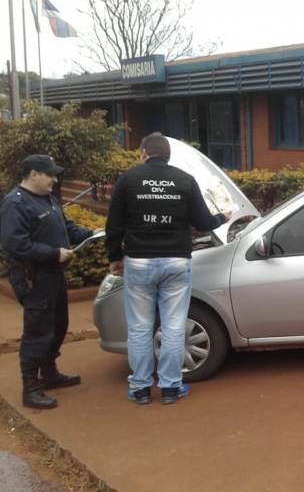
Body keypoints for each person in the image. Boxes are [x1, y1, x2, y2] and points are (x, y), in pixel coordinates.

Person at [105, 133, 231, 405]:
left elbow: (113, 225)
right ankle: (171, 387)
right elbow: (203, 222)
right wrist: (223, 216)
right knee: (173, 326)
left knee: (140, 327)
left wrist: (115, 257)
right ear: (168, 155)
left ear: (144, 153)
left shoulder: (128, 179)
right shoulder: (184, 180)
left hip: (138, 261)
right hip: (176, 261)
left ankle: (140, 388)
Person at [0, 155, 96, 409]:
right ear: (33, 174)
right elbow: (15, 244)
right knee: (38, 332)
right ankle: (31, 388)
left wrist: (92, 234)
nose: (54, 179)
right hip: (34, 278)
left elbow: (67, 228)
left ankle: (49, 373)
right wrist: (53, 254)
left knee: (58, 325)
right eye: (50, 174)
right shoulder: (15, 203)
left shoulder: (48, 199)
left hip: (54, 275)